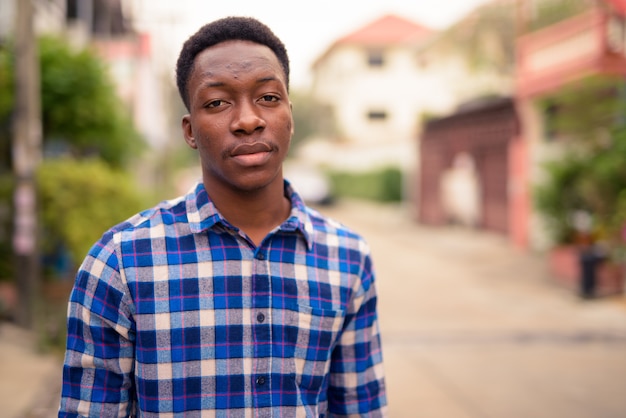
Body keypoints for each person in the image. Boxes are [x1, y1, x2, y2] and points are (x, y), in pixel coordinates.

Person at [59, 16, 387, 417]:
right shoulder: (119, 263)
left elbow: (359, 408)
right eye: (216, 102)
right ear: (190, 130)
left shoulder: (347, 257)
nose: (248, 120)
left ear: (290, 115)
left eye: (268, 97)